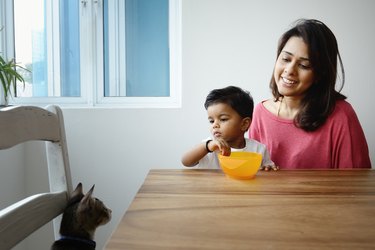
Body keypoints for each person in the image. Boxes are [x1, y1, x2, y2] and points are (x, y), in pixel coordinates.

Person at [249, 18, 371, 169]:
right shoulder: (260, 113)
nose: (289, 70)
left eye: (304, 65)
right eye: (286, 59)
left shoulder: (341, 115)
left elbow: (356, 184)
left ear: (320, 74)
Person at [182, 86, 276, 170]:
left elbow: (268, 168)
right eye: (211, 121)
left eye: (223, 119)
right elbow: (185, 161)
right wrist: (207, 147)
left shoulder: (259, 149)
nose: (215, 125)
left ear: (244, 124)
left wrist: (268, 168)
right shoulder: (210, 146)